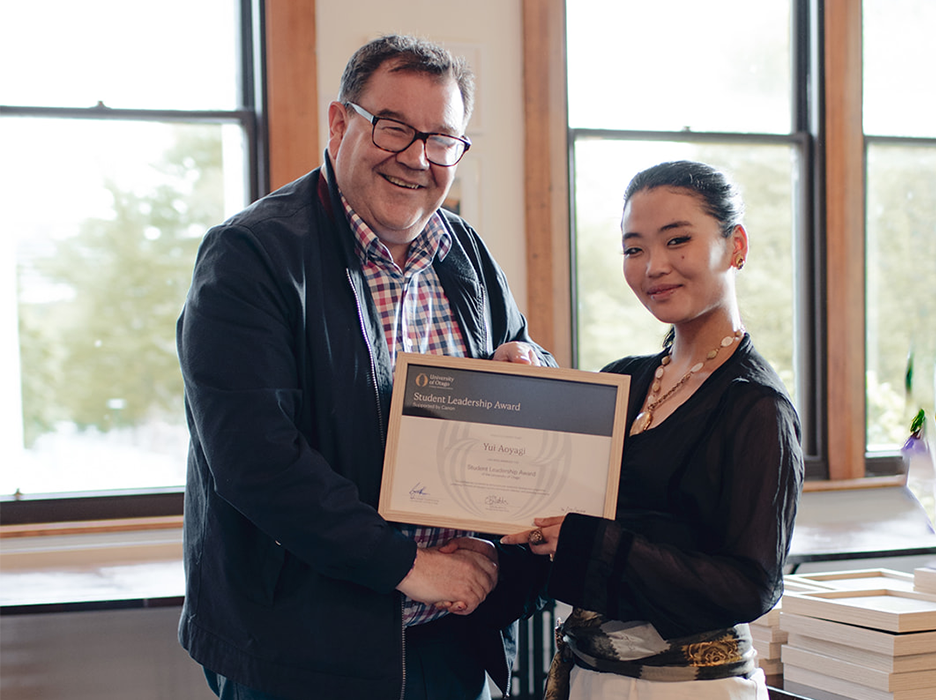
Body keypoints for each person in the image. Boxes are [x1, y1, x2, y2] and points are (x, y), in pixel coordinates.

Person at [177, 34, 554, 700]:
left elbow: (518, 360)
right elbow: (256, 460)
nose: (416, 159)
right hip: (303, 654)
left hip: (448, 640)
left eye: (441, 140)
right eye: (394, 128)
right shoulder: (250, 258)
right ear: (339, 122)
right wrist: (409, 566)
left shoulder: (462, 251)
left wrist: (530, 363)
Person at [503, 161, 804, 699]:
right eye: (634, 248)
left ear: (736, 246)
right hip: (587, 676)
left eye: (677, 240)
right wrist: (521, 383)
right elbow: (551, 493)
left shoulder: (757, 406)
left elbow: (751, 586)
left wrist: (593, 542)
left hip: (690, 688)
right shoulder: (624, 378)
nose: (653, 267)